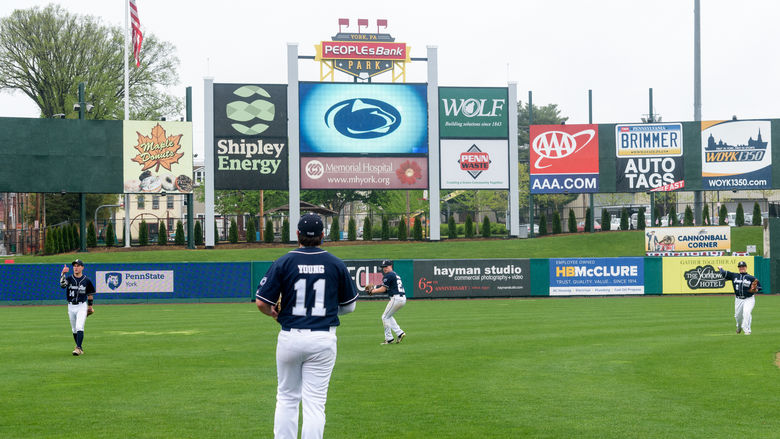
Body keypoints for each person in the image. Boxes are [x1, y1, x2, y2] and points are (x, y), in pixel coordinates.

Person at [255, 213, 358, 439]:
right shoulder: (336, 263)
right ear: (323, 235)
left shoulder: (284, 261)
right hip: (323, 338)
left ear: (297, 234)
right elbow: (349, 307)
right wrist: (328, 310)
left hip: (291, 336)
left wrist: (272, 313)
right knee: (315, 403)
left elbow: (262, 302)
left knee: (287, 397)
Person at [59, 259, 95, 356]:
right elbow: (62, 285)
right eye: (74, 266)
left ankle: (78, 348)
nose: (76, 267)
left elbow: (90, 294)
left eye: (78, 266)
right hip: (70, 306)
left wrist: (90, 306)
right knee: (74, 329)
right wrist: (62, 273)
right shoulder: (70, 278)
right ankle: (80, 347)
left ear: (82, 267)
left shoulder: (87, 280)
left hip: (82, 306)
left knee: (79, 327)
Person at [367, 260, 407, 345]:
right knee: (389, 316)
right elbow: (386, 289)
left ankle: (389, 339)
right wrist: (375, 288)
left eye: (386, 266)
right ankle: (399, 333)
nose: (384, 268)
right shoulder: (394, 274)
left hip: (396, 298)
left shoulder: (389, 275)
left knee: (385, 317)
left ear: (391, 266)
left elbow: (383, 289)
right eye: (383, 267)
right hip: (401, 298)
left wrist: (372, 291)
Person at [718, 261, 761, 335]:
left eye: (743, 266)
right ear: (738, 268)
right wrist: (720, 268)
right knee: (738, 316)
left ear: (746, 267)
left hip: (749, 299)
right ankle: (739, 327)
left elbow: (759, 287)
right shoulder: (734, 275)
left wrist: (755, 289)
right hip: (738, 299)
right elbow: (724, 273)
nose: (741, 268)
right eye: (740, 267)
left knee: (746, 312)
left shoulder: (751, 278)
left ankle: (747, 330)